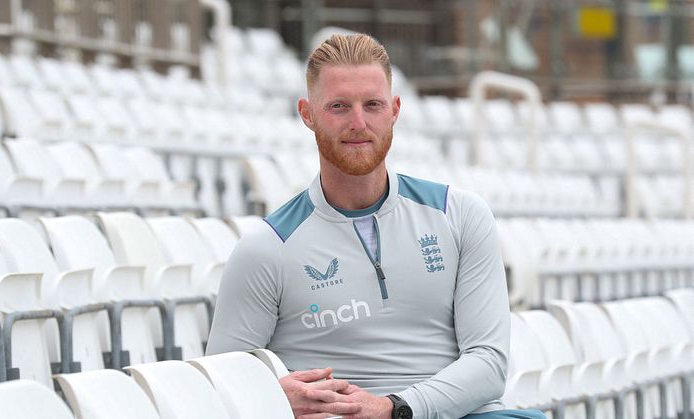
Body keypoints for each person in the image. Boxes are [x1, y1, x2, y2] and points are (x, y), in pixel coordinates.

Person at [206, 33, 545, 419]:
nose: (358, 122)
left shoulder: (460, 214)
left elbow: (489, 364)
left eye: (372, 105)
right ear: (307, 114)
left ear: (395, 109)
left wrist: (394, 408)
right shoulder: (266, 247)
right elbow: (223, 386)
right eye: (338, 106)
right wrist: (271, 394)